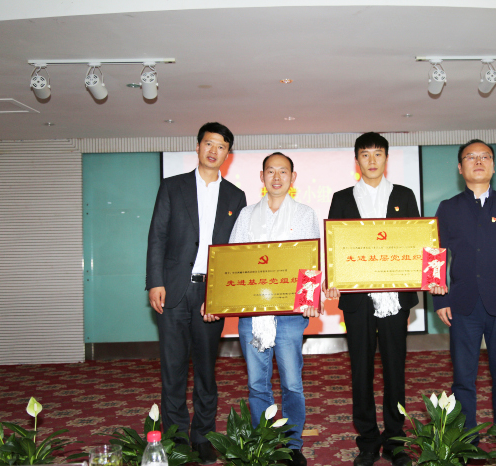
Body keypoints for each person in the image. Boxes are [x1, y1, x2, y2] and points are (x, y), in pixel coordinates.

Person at [204, 152, 320, 466]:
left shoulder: (305, 214)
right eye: (270, 171)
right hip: (253, 316)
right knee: (257, 383)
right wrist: (217, 298)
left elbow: (311, 262)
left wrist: (310, 300)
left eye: (283, 171)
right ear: (261, 176)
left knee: (292, 383)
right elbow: (232, 260)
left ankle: (293, 445)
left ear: (293, 178)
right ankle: (264, 444)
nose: (277, 177)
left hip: (290, 316)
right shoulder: (246, 215)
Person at [146, 122, 247, 463]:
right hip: (173, 290)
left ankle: (203, 435)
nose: (213, 150)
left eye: (221, 146)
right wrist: (155, 281)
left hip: (210, 294)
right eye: (208, 143)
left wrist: (222, 296)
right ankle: (176, 436)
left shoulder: (236, 196)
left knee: (206, 369)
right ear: (198, 147)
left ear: (228, 154)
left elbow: (235, 251)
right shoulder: (172, 187)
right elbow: (157, 236)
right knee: (173, 369)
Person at [429, 139, 496, 442]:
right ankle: (467, 441)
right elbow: (434, 254)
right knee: (463, 380)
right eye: (470, 157)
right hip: (462, 307)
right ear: (460, 168)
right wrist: (440, 298)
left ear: (493, 166)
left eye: (485, 156)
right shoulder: (449, 208)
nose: (478, 161)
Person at [326, 133, 418, 466]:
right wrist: (333, 279)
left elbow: (415, 242)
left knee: (395, 369)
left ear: (386, 158)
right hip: (357, 299)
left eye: (378, 154)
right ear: (357, 160)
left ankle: (395, 441)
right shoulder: (342, 198)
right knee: (360, 370)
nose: (372, 160)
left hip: (394, 296)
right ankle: (367, 441)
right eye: (365, 154)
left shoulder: (404, 195)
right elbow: (334, 246)